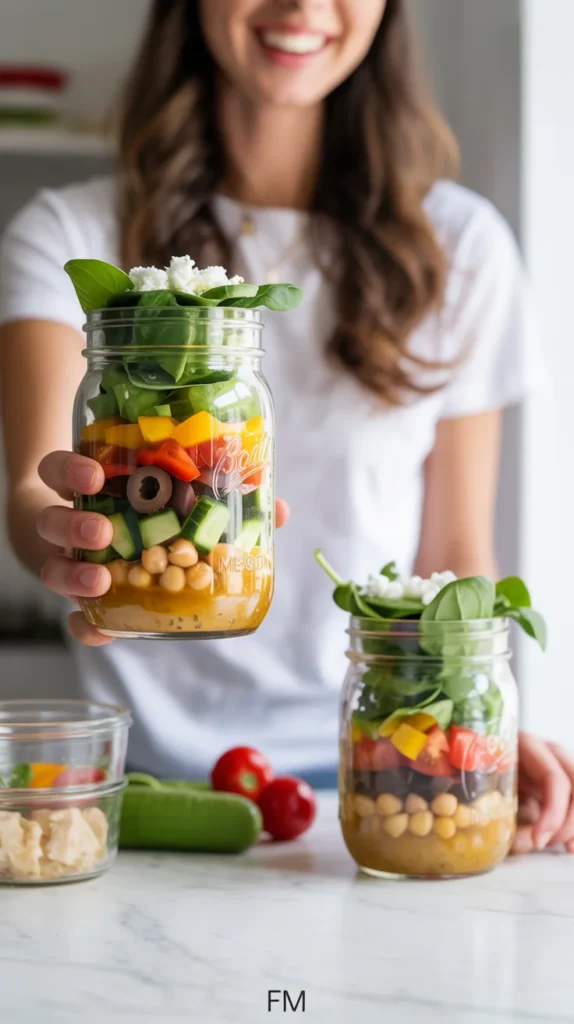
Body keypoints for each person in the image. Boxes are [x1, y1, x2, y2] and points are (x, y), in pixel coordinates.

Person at [0, 0, 571, 856]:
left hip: (375, 776)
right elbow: (29, 488)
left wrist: (474, 726)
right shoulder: (71, 235)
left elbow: (454, 557)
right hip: (143, 793)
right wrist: (71, 542)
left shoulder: (461, 245)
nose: (302, 6)